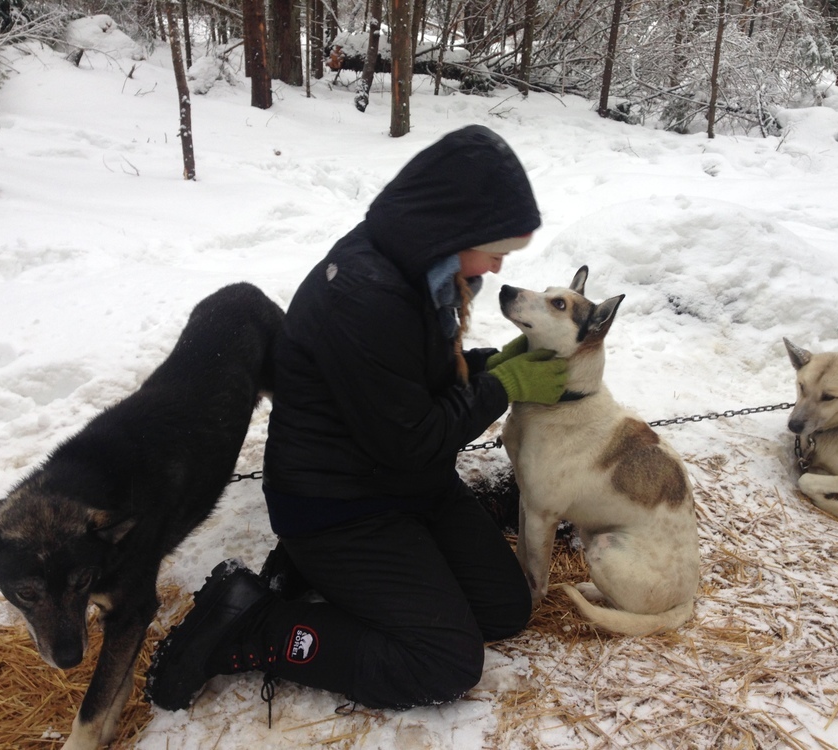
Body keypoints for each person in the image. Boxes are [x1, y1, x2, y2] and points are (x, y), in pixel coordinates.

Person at [145, 125, 569, 715]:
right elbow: (410, 437)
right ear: (454, 229)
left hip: (402, 483)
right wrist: (502, 384)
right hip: (337, 506)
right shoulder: (367, 296)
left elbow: (412, 385)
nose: (499, 268)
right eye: (497, 248)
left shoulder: (429, 268)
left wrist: (487, 365)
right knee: (443, 661)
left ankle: (328, 578)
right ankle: (252, 624)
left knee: (505, 609)